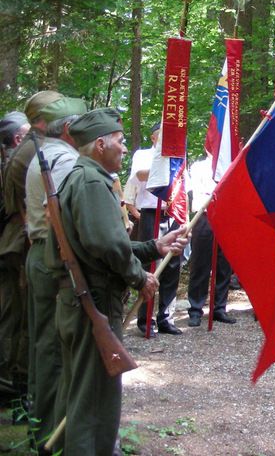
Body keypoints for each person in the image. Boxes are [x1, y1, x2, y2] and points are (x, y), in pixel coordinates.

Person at [47, 107, 187, 455]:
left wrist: (154, 246)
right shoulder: (91, 181)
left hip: (82, 300)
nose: (125, 149)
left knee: (84, 391)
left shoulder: (84, 177)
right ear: (99, 144)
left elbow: (103, 241)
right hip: (93, 301)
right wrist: (140, 278)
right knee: (93, 400)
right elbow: (106, 245)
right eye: (120, 142)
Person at [23, 96, 86, 450]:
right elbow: (62, 216)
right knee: (52, 348)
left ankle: (45, 427)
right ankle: (49, 433)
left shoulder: (49, 154)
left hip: (44, 254)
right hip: (54, 257)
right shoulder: (62, 159)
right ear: (66, 128)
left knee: (47, 343)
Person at [0, 91, 63, 407]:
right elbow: (29, 212)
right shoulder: (30, 152)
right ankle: (17, 386)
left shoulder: (31, 148)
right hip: (22, 242)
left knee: (22, 316)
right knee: (23, 317)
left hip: (21, 241)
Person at [129, 122, 182, 335]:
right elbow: (139, 176)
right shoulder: (143, 155)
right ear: (153, 138)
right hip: (151, 212)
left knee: (172, 264)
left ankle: (166, 317)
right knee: (150, 263)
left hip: (173, 213)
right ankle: (145, 318)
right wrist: (163, 165)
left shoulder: (178, 158)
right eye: (163, 135)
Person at [186, 152, 236, 326]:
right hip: (205, 216)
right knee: (200, 264)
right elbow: (198, 192)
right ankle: (195, 309)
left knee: (224, 265)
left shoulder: (231, 164)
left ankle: (219, 308)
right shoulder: (199, 167)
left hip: (226, 217)